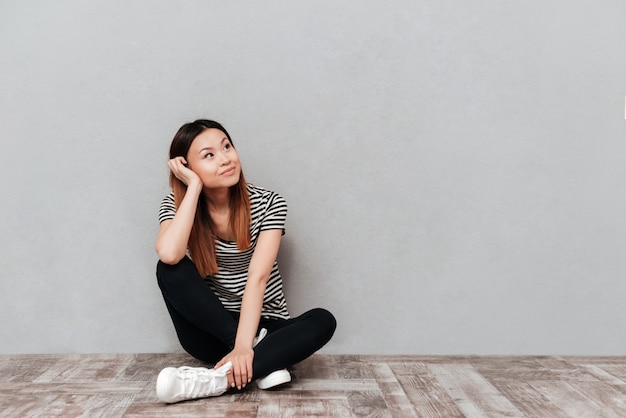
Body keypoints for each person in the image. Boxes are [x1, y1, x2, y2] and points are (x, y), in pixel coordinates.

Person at [154, 119, 336, 403]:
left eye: (227, 146)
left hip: (264, 323)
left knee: (323, 320)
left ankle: (219, 380)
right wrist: (191, 188)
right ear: (187, 168)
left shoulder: (269, 203)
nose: (225, 158)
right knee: (168, 269)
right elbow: (169, 254)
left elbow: (258, 278)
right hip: (212, 330)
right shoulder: (177, 205)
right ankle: (263, 359)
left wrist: (243, 346)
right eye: (209, 155)